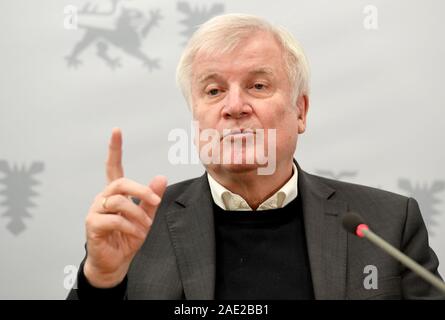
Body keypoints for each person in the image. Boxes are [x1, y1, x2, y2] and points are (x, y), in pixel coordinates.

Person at [67, 13, 444, 300]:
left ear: (300, 111)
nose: (234, 106)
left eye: (258, 86)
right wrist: (101, 282)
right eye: (213, 91)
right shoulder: (134, 226)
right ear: (195, 116)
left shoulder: (388, 225)